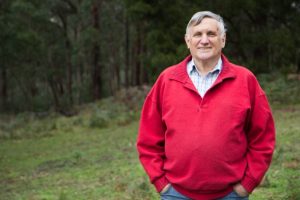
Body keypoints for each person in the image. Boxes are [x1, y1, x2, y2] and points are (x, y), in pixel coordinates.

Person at [136, 11, 275, 200]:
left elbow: (263, 137)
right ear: (187, 41)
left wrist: (246, 184)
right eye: (197, 34)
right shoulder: (167, 80)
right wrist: (161, 183)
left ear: (223, 39)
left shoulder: (245, 80)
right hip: (175, 194)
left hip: (230, 195)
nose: (204, 40)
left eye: (211, 34)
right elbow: (148, 139)